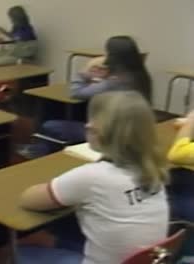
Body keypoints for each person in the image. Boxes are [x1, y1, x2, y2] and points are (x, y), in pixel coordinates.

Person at [19, 91, 169, 264]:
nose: (88, 124)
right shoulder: (155, 169)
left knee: (19, 252)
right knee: (59, 234)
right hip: (142, 259)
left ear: (98, 130)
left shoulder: (92, 176)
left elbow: (28, 200)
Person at [18, 35, 151, 159]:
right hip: (132, 128)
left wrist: (84, 73)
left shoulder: (114, 82)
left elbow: (75, 92)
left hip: (112, 134)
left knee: (50, 123)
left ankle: (39, 150)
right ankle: (43, 148)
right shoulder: (141, 77)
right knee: (67, 108)